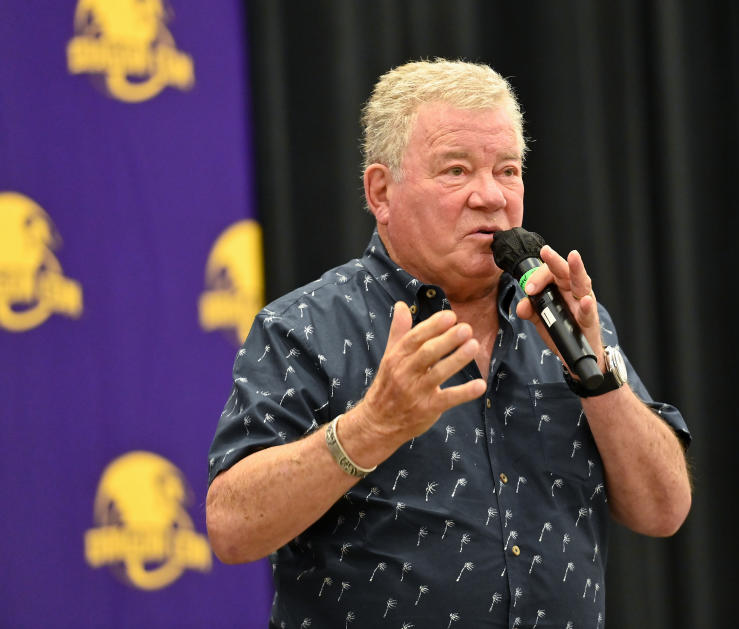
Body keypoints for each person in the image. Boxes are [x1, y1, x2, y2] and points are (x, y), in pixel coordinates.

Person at [206, 58, 691, 628]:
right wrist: (372, 426)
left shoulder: (567, 319)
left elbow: (664, 510)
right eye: (456, 171)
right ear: (381, 191)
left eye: (507, 170)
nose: (490, 196)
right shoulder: (306, 327)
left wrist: (597, 377)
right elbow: (232, 527)